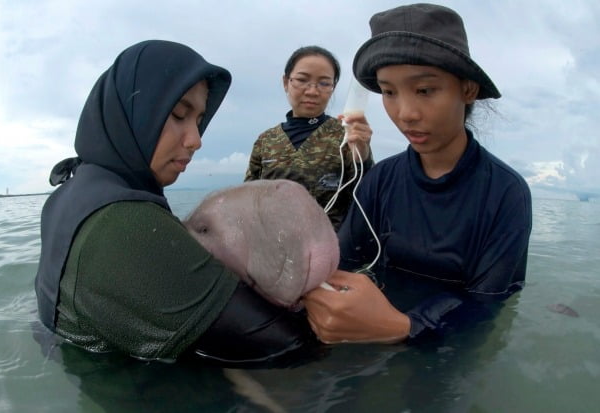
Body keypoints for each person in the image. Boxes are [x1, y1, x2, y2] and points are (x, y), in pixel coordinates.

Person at [34, 40, 318, 365]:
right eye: (179, 114)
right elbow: (288, 346)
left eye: (198, 121)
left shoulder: (66, 197)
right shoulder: (127, 227)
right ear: (132, 113)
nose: (196, 140)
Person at [303, 4, 532, 343]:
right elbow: (344, 263)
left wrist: (404, 327)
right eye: (389, 92)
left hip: (447, 352)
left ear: (467, 90)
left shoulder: (506, 193)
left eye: (425, 90)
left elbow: (488, 304)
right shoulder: (380, 181)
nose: (405, 114)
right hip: (364, 336)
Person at [244, 45, 374, 230]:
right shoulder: (266, 141)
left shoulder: (347, 136)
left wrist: (362, 156)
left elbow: (368, 197)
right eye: (302, 80)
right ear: (285, 82)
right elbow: (249, 200)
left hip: (331, 250)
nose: (312, 91)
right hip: (273, 249)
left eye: (324, 83)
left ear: (333, 88)